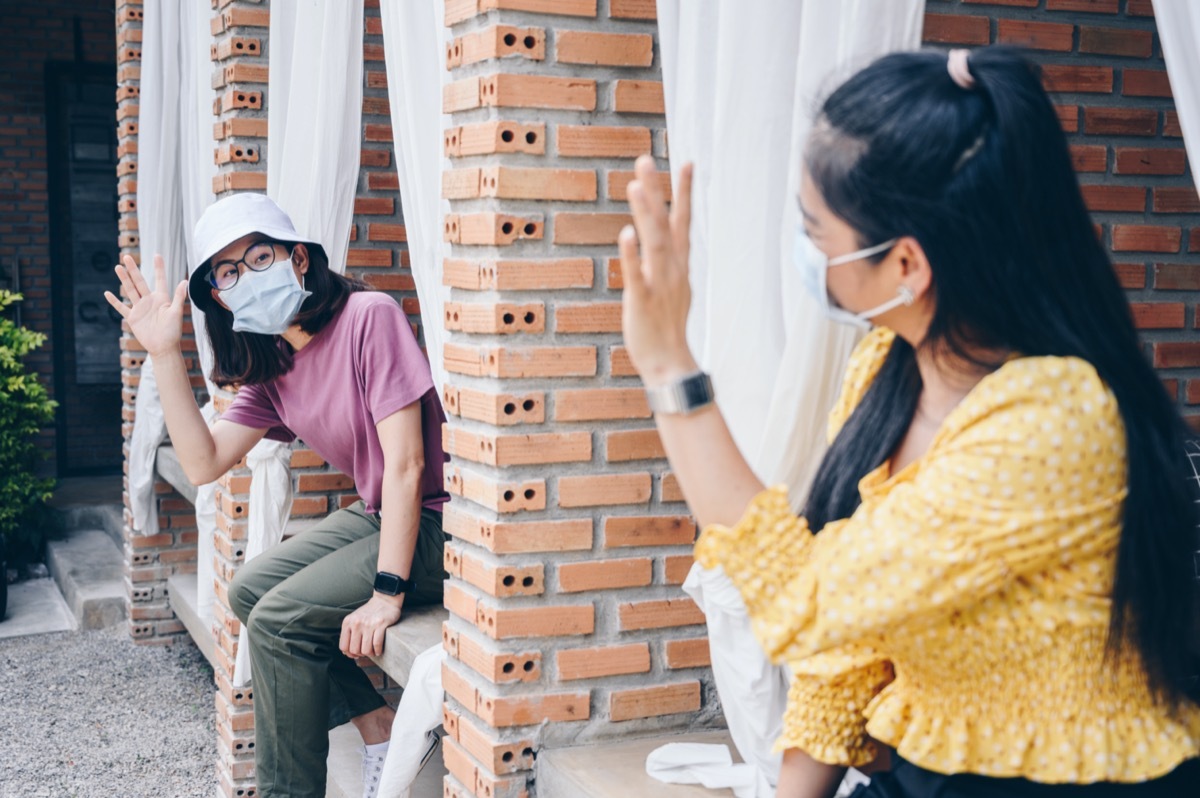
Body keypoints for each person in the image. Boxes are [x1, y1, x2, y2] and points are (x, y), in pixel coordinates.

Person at [617, 46, 1200, 797]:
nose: (806, 254)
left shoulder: (1053, 422)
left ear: (906, 266)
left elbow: (810, 601)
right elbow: (851, 632)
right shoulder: (886, 369)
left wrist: (670, 368)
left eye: (815, 232)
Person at [104, 193, 449, 798]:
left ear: (297, 259)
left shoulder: (370, 317)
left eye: (259, 257)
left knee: (280, 622)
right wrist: (163, 351)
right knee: (248, 590)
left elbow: (408, 463)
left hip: (444, 524)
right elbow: (202, 460)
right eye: (229, 273)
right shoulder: (275, 369)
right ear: (218, 296)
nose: (247, 278)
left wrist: (386, 592)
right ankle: (377, 724)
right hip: (383, 512)